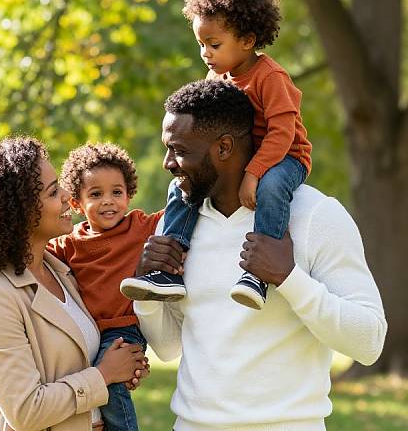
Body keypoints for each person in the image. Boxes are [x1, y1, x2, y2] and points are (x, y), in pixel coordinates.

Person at [133, 79, 387, 430]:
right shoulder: (176, 225)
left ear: (223, 147)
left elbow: (369, 341)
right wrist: (147, 291)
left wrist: (288, 277)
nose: (167, 163)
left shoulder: (315, 215)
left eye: (179, 150)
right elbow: (167, 347)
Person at [121, 0, 312, 310]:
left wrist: (254, 173)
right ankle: (171, 264)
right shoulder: (218, 77)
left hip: (286, 157)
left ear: (248, 40)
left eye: (214, 44)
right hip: (254, 156)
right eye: (201, 44)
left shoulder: (271, 77)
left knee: (269, 189)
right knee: (181, 185)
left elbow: (282, 132)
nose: (205, 53)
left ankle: (258, 270)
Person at [0, 137, 148, 431]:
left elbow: (77, 365)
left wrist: (124, 364)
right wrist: (103, 376)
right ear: (19, 210)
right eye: (52, 192)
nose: (66, 196)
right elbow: (25, 411)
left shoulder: (63, 271)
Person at [47, 143, 163, 431]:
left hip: (125, 327)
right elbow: (37, 255)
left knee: (111, 387)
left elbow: (176, 212)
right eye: (96, 194)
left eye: (116, 192)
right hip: (87, 331)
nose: (108, 201)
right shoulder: (69, 243)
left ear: (129, 194)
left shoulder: (140, 226)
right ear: (75, 203)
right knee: (90, 385)